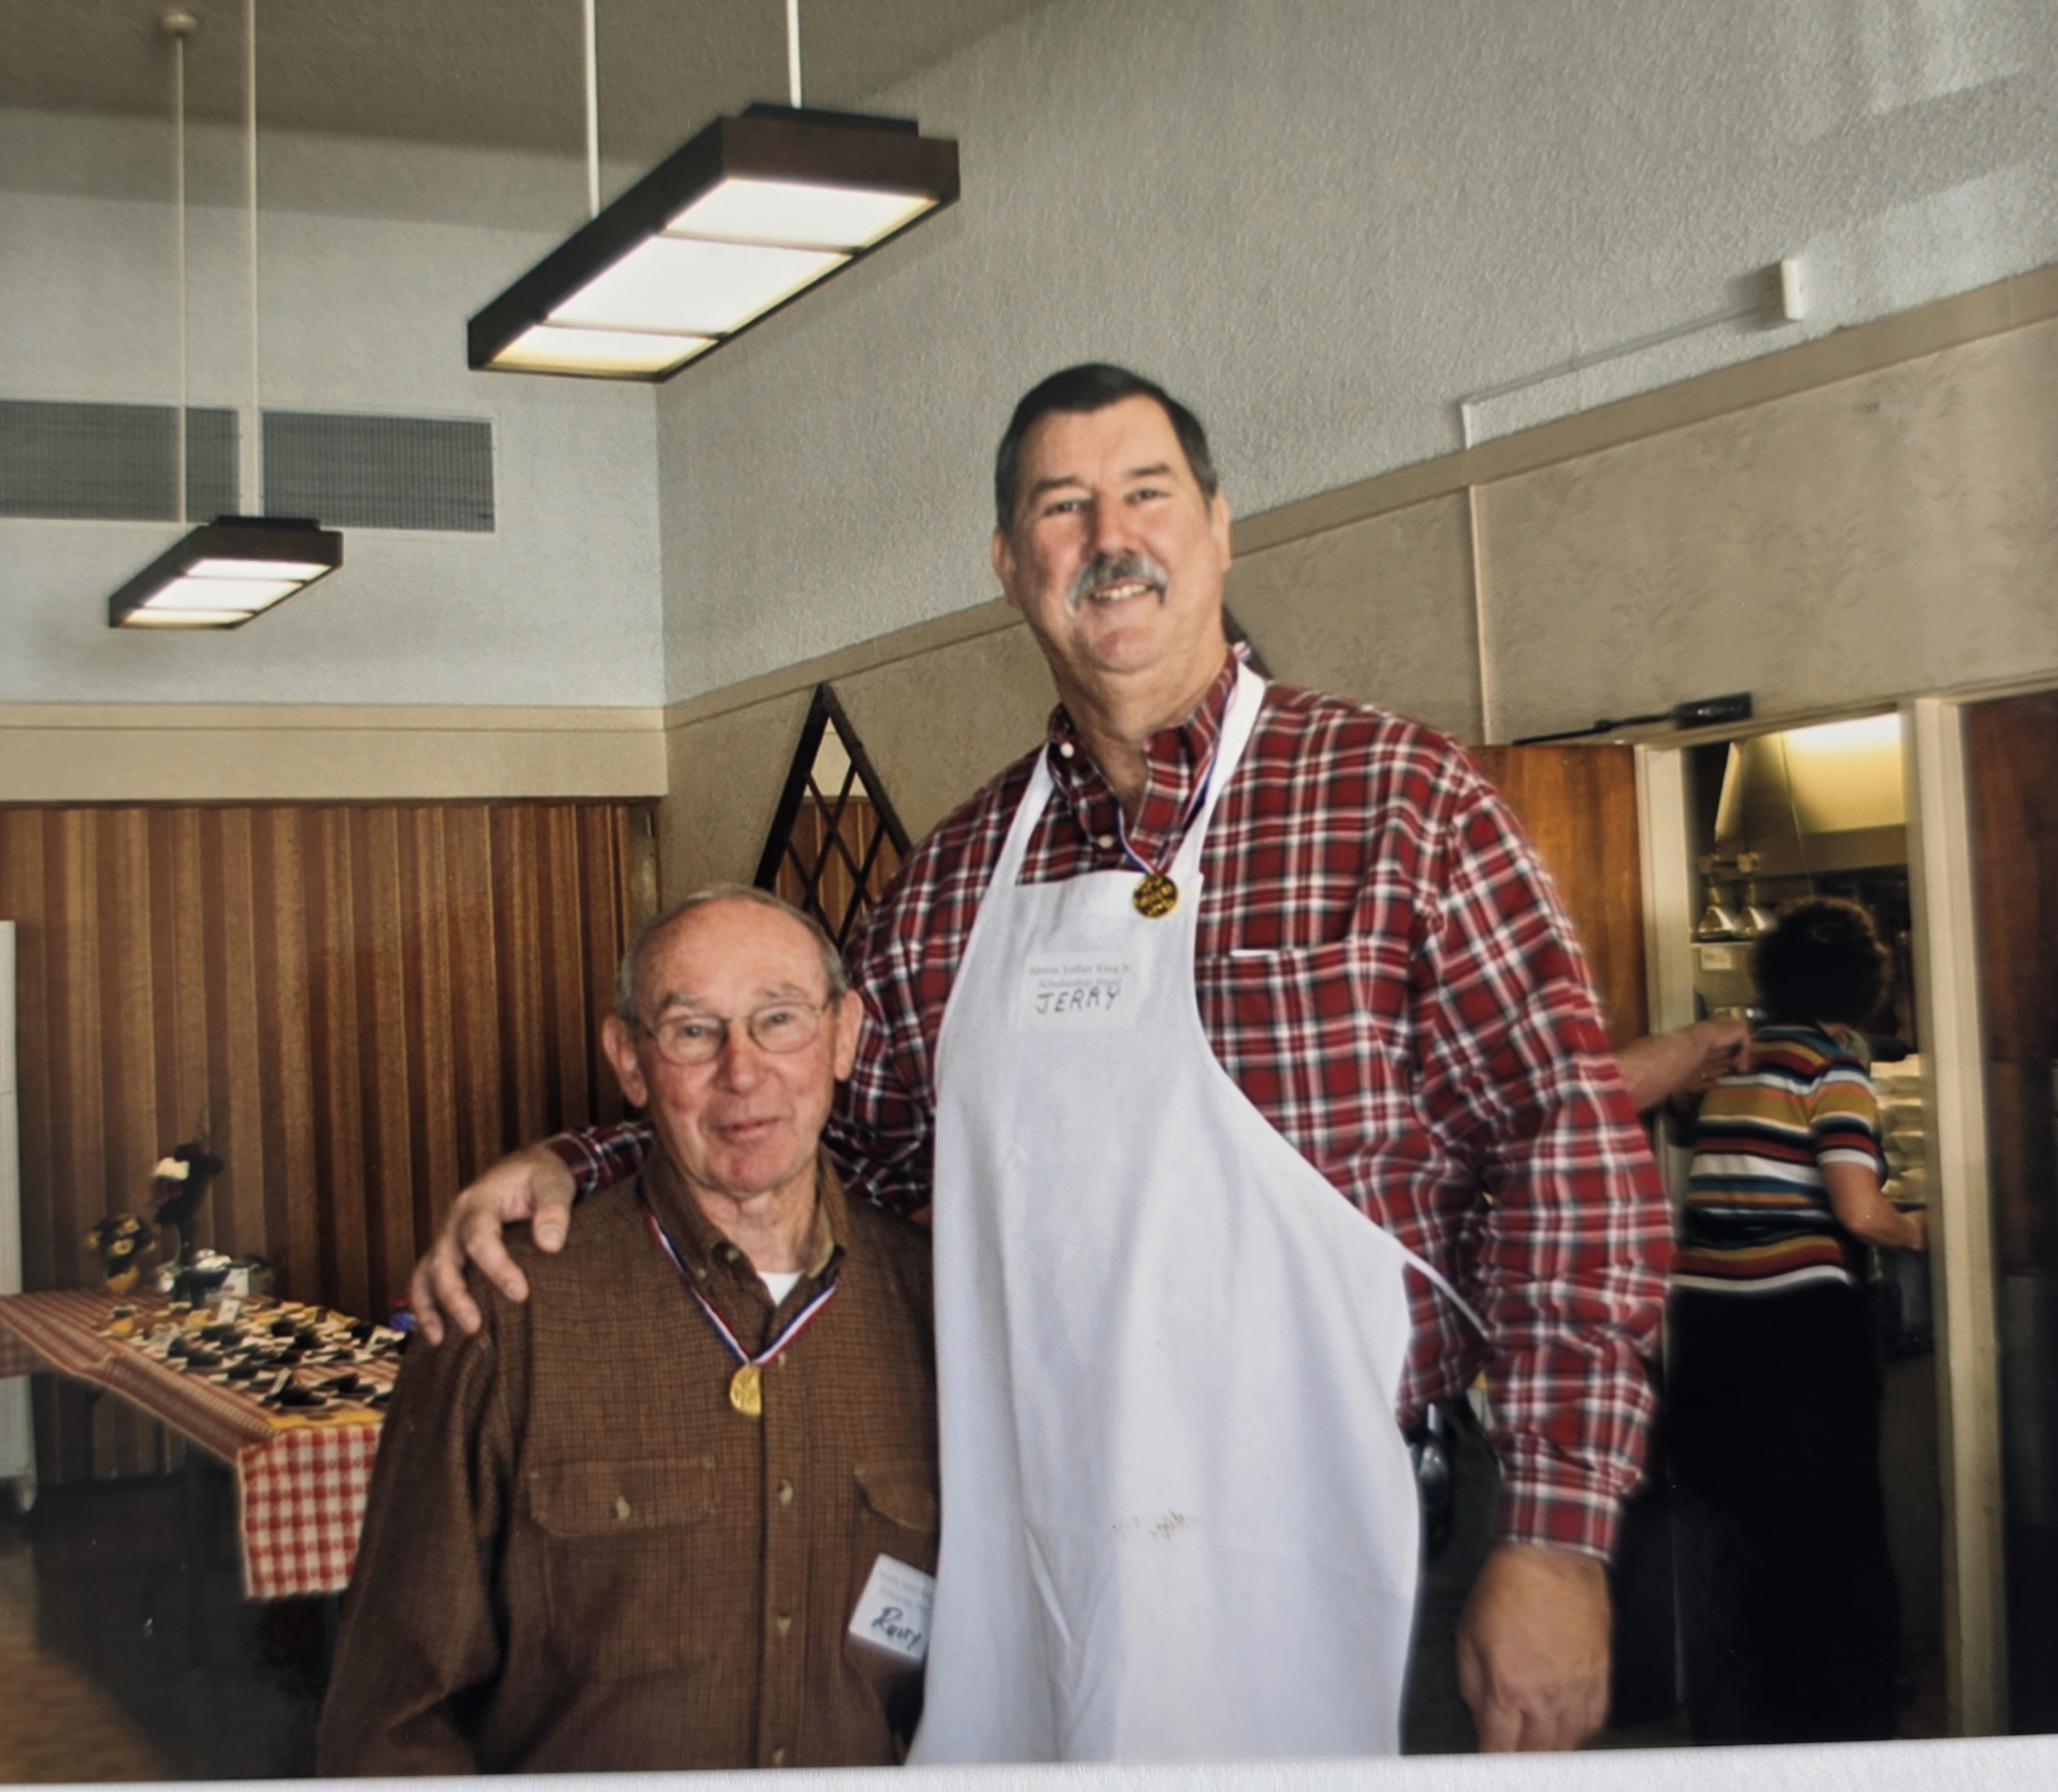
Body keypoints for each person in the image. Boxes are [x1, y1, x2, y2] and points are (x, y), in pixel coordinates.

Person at [411, 365, 1671, 1759]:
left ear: (1220, 527)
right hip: (1056, 1558)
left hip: (1369, 1543)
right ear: (1013, 566)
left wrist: (1557, 1537)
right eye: (1061, 508)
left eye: (1147, 493)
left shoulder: (1404, 805)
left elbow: (1572, 1151)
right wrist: (574, 1160)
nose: (1109, 536)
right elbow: (816, 1122)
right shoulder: (957, 875)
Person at [317, 889, 938, 1774]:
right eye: (693, 1031)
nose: (743, 1069)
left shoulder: (936, 1311)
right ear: (630, 1059)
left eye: (779, 1019)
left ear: (843, 1036)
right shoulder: (504, 1312)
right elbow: (391, 1725)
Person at [1666, 896, 1925, 1744]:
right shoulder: (1833, 1066)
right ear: (1864, 984)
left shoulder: (1732, 1062)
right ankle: (1842, 1710)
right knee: (1832, 1516)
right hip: (1799, 1329)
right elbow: (1857, 1207)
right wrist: (1926, 1228)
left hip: (1705, 1321)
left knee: (1736, 1520)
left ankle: (1743, 1710)